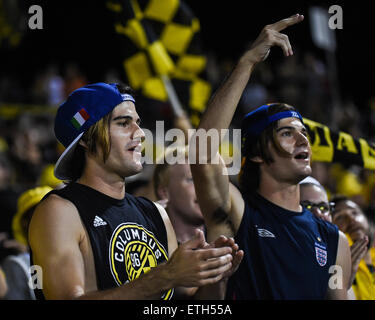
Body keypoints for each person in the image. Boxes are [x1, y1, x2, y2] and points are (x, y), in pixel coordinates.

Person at [28, 82, 242, 300]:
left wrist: (216, 275)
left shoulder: (156, 214)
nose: (140, 133)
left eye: (138, 123)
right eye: (123, 123)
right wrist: (166, 276)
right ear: (85, 138)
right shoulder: (59, 211)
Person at [190, 14, 351, 299]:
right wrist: (247, 63)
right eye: (286, 133)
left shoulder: (333, 239)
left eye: (303, 133)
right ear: (256, 156)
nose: (303, 139)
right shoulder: (239, 212)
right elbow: (202, 150)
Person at [330, 195, 375, 299]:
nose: (351, 219)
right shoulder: (332, 267)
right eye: (339, 217)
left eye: (355, 212)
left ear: (366, 219)